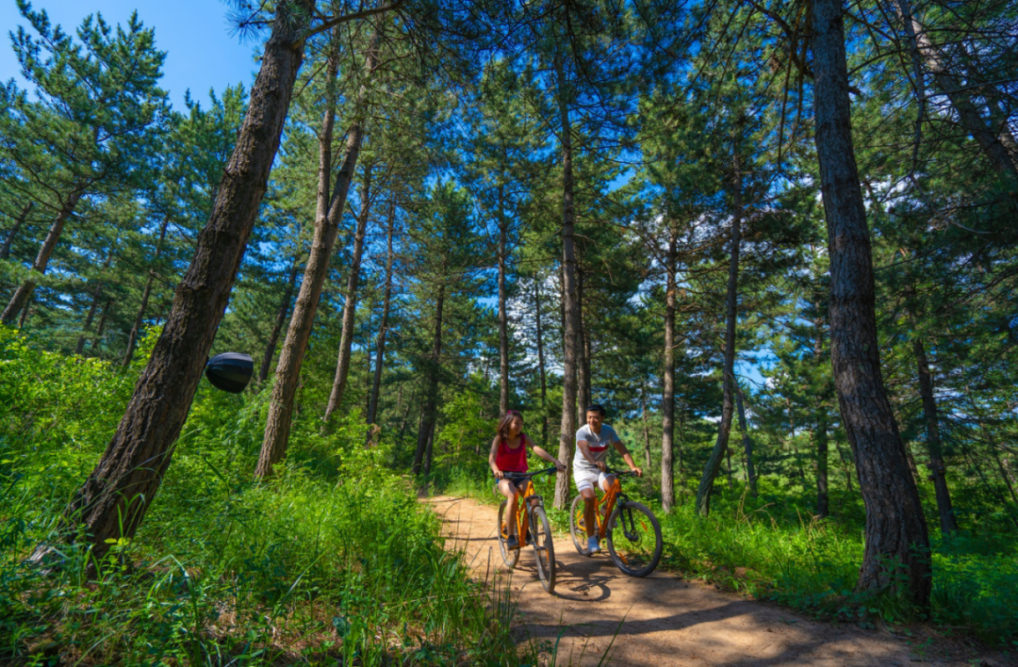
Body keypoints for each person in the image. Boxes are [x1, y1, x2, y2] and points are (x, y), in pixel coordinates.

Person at [489, 409, 566, 550]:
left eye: (521, 424)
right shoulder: (500, 438)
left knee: (534, 500)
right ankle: (511, 536)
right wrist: (496, 470)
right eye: (516, 423)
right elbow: (491, 458)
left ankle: (526, 529)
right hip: (504, 476)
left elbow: (536, 448)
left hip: (520, 475)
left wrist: (555, 461)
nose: (519, 426)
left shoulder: (523, 438)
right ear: (508, 423)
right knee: (513, 495)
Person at [574, 403, 642, 554]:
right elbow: (584, 449)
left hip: (600, 470)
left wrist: (633, 466)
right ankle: (592, 539)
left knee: (615, 486)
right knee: (589, 499)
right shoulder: (582, 432)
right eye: (589, 418)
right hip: (583, 470)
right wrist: (594, 462)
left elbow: (622, 449)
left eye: (595, 418)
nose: (592, 421)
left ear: (602, 418)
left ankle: (605, 511)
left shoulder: (608, 431)